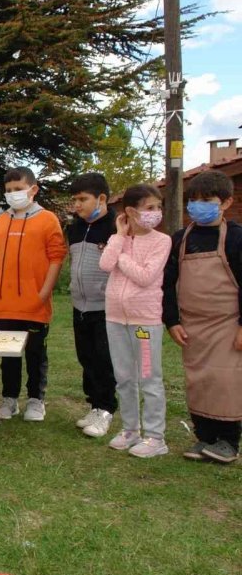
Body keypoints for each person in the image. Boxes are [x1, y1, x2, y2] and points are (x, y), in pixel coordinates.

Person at [163, 170, 242, 463]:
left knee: (226, 381)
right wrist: (171, 321)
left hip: (228, 324)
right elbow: (167, 284)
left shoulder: (236, 237)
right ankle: (205, 437)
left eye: (206, 200)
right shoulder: (181, 238)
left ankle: (229, 442)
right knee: (198, 380)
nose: (198, 206)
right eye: (193, 200)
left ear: (226, 202)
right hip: (191, 324)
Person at [0, 166, 67, 422]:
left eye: (18, 189)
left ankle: (35, 400)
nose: (13, 194)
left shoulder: (48, 219)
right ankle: (10, 400)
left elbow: (57, 257)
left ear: (33, 190)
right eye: (9, 191)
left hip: (35, 304)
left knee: (35, 354)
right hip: (4, 304)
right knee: (9, 356)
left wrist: (43, 293)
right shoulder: (0, 221)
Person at [99, 184, 171, 457]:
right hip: (116, 319)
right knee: (124, 377)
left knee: (149, 377)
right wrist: (118, 238)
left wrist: (123, 258)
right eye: (150, 207)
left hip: (144, 323)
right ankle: (130, 429)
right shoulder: (119, 238)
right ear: (131, 211)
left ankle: (156, 437)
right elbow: (106, 265)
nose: (156, 213)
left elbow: (145, 276)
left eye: (158, 207)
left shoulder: (161, 241)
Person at [67, 173, 119, 438]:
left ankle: (106, 409)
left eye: (83, 199)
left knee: (104, 359)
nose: (77, 205)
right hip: (80, 305)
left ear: (101, 198)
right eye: (74, 199)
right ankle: (93, 405)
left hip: (105, 307)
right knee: (86, 357)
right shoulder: (74, 228)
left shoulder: (117, 227)